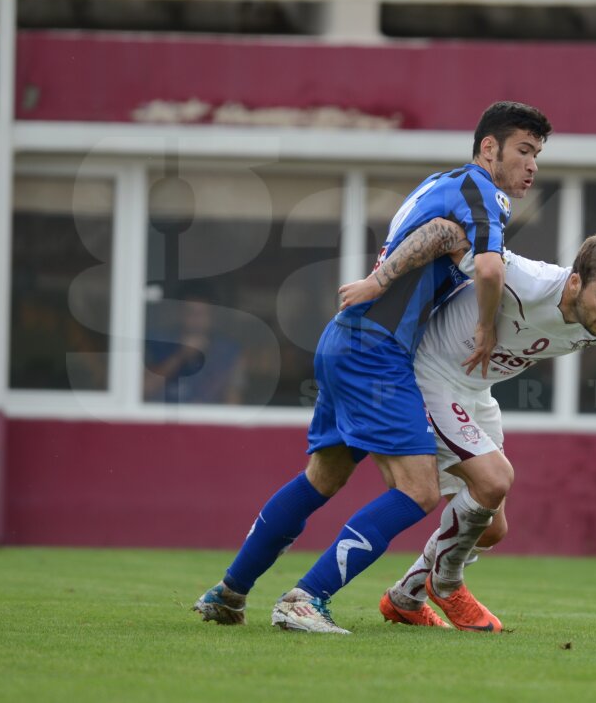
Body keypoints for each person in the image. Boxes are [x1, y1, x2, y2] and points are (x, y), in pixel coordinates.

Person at [192, 101, 552, 633]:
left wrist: (380, 281)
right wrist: (485, 325)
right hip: (378, 351)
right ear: (489, 148)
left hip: (346, 340)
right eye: (524, 151)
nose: (532, 165)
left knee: (322, 477)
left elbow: (439, 239)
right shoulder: (483, 192)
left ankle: (228, 591)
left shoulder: (440, 185)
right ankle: (305, 598)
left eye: (538, 155)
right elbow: (488, 264)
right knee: (419, 490)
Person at [336, 230, 596, 632]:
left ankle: (405, 598)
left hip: (475, 391)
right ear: (575, 282)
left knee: (492, 528)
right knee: (495, 479)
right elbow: (451, 239)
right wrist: (377, 282)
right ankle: (443, 586)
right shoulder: (524, 279)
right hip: (429, 374)